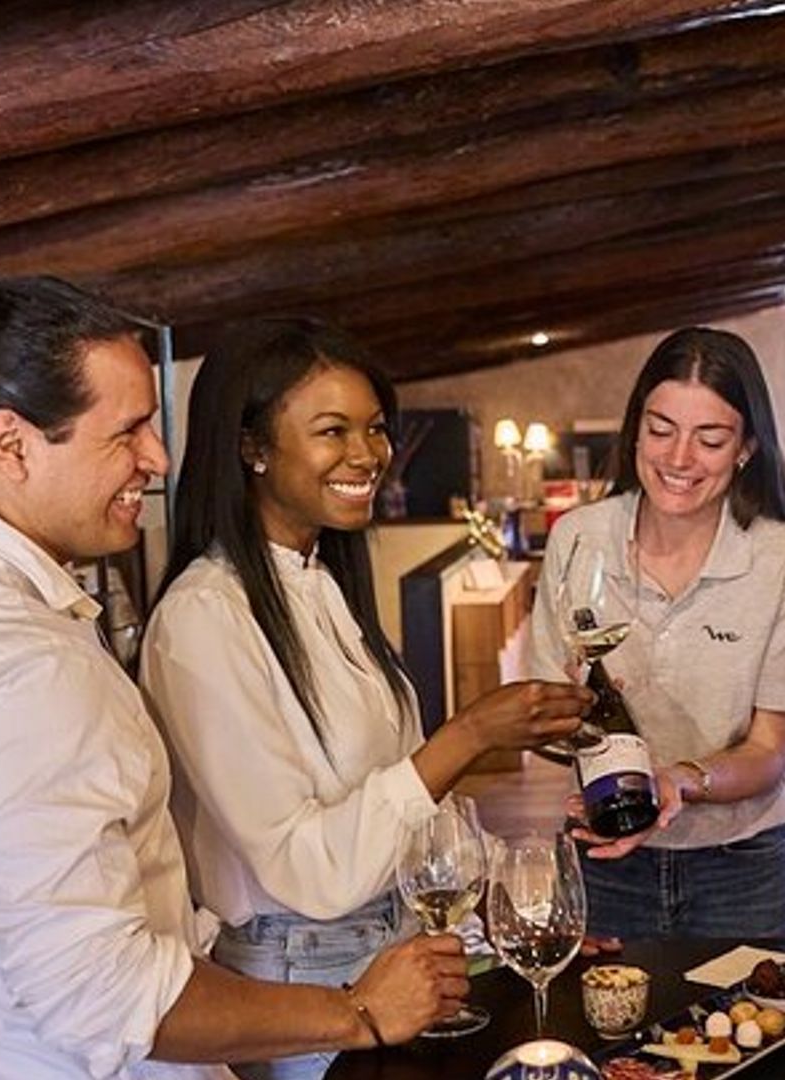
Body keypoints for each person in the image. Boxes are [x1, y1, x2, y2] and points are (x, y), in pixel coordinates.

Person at [0, 269, 468, 1079]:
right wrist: (359, 1012)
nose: (158, 461)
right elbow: (108, 994)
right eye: (127, 433)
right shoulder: (18, 665)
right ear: (11, 444)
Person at [139, 317, 590, 1080]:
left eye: (375, 429)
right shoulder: (204, 618)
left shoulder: (321, 582)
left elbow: (390, 821)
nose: (367, 454)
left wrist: (493, 928)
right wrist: (470, 733)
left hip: (394, 950)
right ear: (252, 447)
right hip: (304, 976)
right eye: (332, 431)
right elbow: (305, 869)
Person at [525, 327, 785, 940]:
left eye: (710, 439)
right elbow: (547, 723)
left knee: (757, 1032)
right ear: (636, 425)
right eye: (661, 430)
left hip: (742, 867)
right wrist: (559, 722)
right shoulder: (578, 539)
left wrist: (677, 783)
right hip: (606, 856)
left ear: (745, 447)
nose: (679, 459)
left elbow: (770, 750)